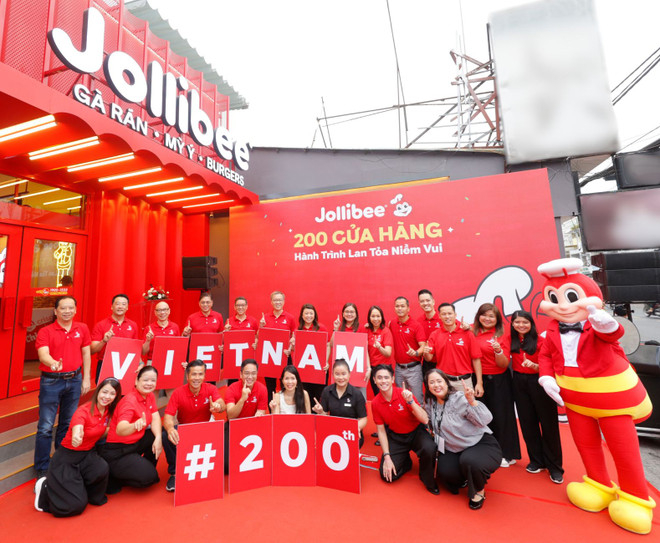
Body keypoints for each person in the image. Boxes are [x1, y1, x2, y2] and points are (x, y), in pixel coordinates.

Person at [34, 378, 122, 517]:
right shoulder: (83, 411)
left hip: (87, 454)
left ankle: (81, 490)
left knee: (101, 468)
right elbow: (77, 425)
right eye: (104, 392)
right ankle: (44, 488)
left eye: (112, 394)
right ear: (98, 391)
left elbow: (101, 430)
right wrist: (76, 435)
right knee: (74, 506)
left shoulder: (107, 410)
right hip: (67, 457)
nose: (107, 397)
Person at [424, 369, 501, 510]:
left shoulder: (459, 398)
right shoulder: (431, 402)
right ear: (428, 386)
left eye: (439, 381)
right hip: (453, 448)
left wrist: (471, 401)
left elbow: (486, 419)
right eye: (432, 382)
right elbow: (427, 420)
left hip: (478, 443)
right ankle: (467, 475)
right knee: (446, 473)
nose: (436, 385)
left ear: (447, 383)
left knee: (470, 460)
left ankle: (479, 491)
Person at [34, 295, 92, 477]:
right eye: (63, 308)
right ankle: (42, 467)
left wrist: (86, 378)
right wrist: (52, 363)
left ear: (75, 309)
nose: (67, 312)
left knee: (67, 423)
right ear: (55, 311)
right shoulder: (46, 331)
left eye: (70, 308)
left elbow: (86, 353)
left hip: (75, 380)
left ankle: (61, 461)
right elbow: (43, 354)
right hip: (51, 381)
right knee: (45, 426)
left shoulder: (82, 328)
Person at [510, 310, 564, 483]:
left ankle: (555, 467)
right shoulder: (511, 340)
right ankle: (537, 460)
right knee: (527, 422)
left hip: (540, 382)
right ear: (512, 324)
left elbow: (551, 364)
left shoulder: (542, 341)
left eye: (524, 322)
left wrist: (536, 367)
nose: (521, 325)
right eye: (517, 322)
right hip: (519, 381)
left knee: (548, 425)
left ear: (531, 323)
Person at [371, 364, 438, 494]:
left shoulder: (404, 393)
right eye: (379, 378)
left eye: (386, 377)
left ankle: (426, 477)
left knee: (430, 448)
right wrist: (387, 457)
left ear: (392, 379)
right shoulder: (375, 403)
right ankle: (406, 462)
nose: (383, 381)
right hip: (396, 436)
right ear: (374, 380)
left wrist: (411, 402)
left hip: (415, 432)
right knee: (387, 476)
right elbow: (381, 431)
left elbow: (424, 419)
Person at [162, 360, 226, 492]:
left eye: (200, 374)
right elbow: (168, 416)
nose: (197, 378)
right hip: (186, 431)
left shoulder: (211, 388)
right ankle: (175, 473)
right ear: (187, 376)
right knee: (165, 435)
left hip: (206, 428)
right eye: (194, 374)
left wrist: (218, 406)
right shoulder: (178, 392)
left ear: (204, 376)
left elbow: (221, 403)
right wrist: (169, 429)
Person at [100, 366, 162, 493]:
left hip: (134, 442)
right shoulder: (129, 401)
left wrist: (159, 438)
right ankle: (115, 472)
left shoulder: (149, 395)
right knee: (149, 478)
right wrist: (134, 426)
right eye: (145, 380)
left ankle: (137, 467)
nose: (149, 384)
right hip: (118, 450)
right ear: (136, 381)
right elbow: (120, 429)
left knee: (156, 435)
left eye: (153, 380)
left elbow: (155, 416)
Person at [473, 303, 520, 467]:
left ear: (497, 319)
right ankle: (488, 451)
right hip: (478, 379)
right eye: (484, 315)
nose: (487, 318)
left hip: (499, 380)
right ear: (479, 316)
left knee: (501, 417)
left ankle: (506, 454)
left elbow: (503, 364)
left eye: (491, 316)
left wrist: (498, 351)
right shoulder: (472, 332)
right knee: (482, 418)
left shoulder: (501, 336)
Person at [424, 303, 483, 396]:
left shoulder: (467, 333)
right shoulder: (435, 335)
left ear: (455, 314)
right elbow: (429, 358)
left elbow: (476, 359)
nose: (447, 316)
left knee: (467, 409)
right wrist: (426, 352)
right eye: (444, 314)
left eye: (450, 313)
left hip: (464, 382)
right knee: (446, 409)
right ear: (439, 316)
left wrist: (479, 383)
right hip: (444, 381)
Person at [224, 359, 268, 472]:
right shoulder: (232, 389)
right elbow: (231, 416)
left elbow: (261, 412)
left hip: (252, 427)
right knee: (226, 467)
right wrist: (243, 399)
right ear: (241, 374)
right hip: (233, 427)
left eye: (253, 373)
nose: (250, 377)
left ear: (257, 374)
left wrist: (259, 415)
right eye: (247, 373)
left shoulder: (262, 389)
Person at [312, 359, 367, 447]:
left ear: (349, 374)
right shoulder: (327, 391)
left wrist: (355, 429)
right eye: (337, 374)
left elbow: (363, 419)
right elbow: (324, 416)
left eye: (343, 374)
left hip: (351, 433)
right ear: (333, 375)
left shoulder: (357, 394)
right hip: (333, 431)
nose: (341, 378)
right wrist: (320, 412)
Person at [90, 293, 139, 382]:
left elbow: (135, 348)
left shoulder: (133, 325)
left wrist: (140, 363)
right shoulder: (101, 325)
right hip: (105, 364)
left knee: (124, 394)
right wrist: (104, 341)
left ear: (127, 307)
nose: (120, 307)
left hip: (126, 364)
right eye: (117, 304)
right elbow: (92, 350)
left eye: (124, 304)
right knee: (104, 394)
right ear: (112, 307)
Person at [389, 296, 426, 403]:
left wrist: (415, 352)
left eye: (402, 306)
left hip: (414, 369)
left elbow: (423, 346)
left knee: (417, 400)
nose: (399, 308)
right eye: (397, 306)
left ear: (408, 308)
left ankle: (420, 420)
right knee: (401, 400)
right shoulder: (392, 324)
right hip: (399, 369)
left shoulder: (416, 326)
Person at [259, 291, 296, 398]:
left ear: (284, 302)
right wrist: (261, 327)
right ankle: (272, 412)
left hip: (285, 356)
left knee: (286, 385)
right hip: (269, 357)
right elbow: (259, 338)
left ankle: (285, 411)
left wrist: (290, 348)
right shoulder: (265, 317)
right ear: (271, 302)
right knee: (270, 387)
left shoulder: (290, 318)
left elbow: (294, 337)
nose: (277, 302)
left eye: (280, 300)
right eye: (275, 300)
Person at [331, 302, 370, 396]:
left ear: (356, 314)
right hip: (342, 372)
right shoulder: (340, 328)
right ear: (343, 314)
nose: (349, 314)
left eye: (352, 312)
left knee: (360, 399)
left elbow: (365, 350)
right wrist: (335, 329)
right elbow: (332, 344)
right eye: (347, 312)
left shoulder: (361, 328)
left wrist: (368, 368)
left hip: (358, 370)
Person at [293, 303, 329, 401]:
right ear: (302, 316)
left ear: (315, 315)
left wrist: (326, 361)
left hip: (318, 369)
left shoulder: (321, 328)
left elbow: (328, 345)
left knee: (318, 396)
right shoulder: (297, 330)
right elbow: (293, 350)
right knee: (305, 396)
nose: (309, 316)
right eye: (306, 314)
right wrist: (292, 344)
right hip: (304, 370)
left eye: (311, 313)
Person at [365, 305, 394, 397]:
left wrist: (380, 347)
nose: (376, 319)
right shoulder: (367, 330)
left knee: (386, 394)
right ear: (369, 318)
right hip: (372, 368)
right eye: (373, 316)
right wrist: (368, 367)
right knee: (377, 395)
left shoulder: (386, 331)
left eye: (378, 316)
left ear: (382, 317)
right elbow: (364, 350)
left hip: (384, 368)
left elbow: (388, 353)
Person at [417, 289, 442, 376]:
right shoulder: (418, 322)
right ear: (419, 303)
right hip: (428, 363)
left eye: (428, 300)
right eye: (422, 301)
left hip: (443, 362)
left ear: (433, 301)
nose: (425, 303)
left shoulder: (443, 317)